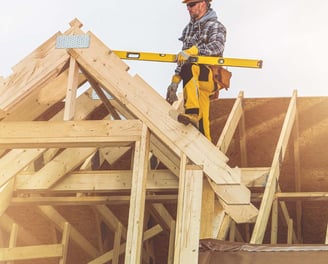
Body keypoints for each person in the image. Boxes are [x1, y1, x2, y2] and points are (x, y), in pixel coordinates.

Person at [166, 0, 226, 141]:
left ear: (203, 4)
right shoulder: (188, 29)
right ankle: (208, 157)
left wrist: (194, 51)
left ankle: (192, 112)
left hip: (209, 76)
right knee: (202, 126)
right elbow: (183, 58)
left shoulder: (216, 26)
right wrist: (175, 81)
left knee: (190, 66)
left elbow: (217, 47)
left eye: (191, 5)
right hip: (194, 83)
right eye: (187, 5)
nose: (188, 8)